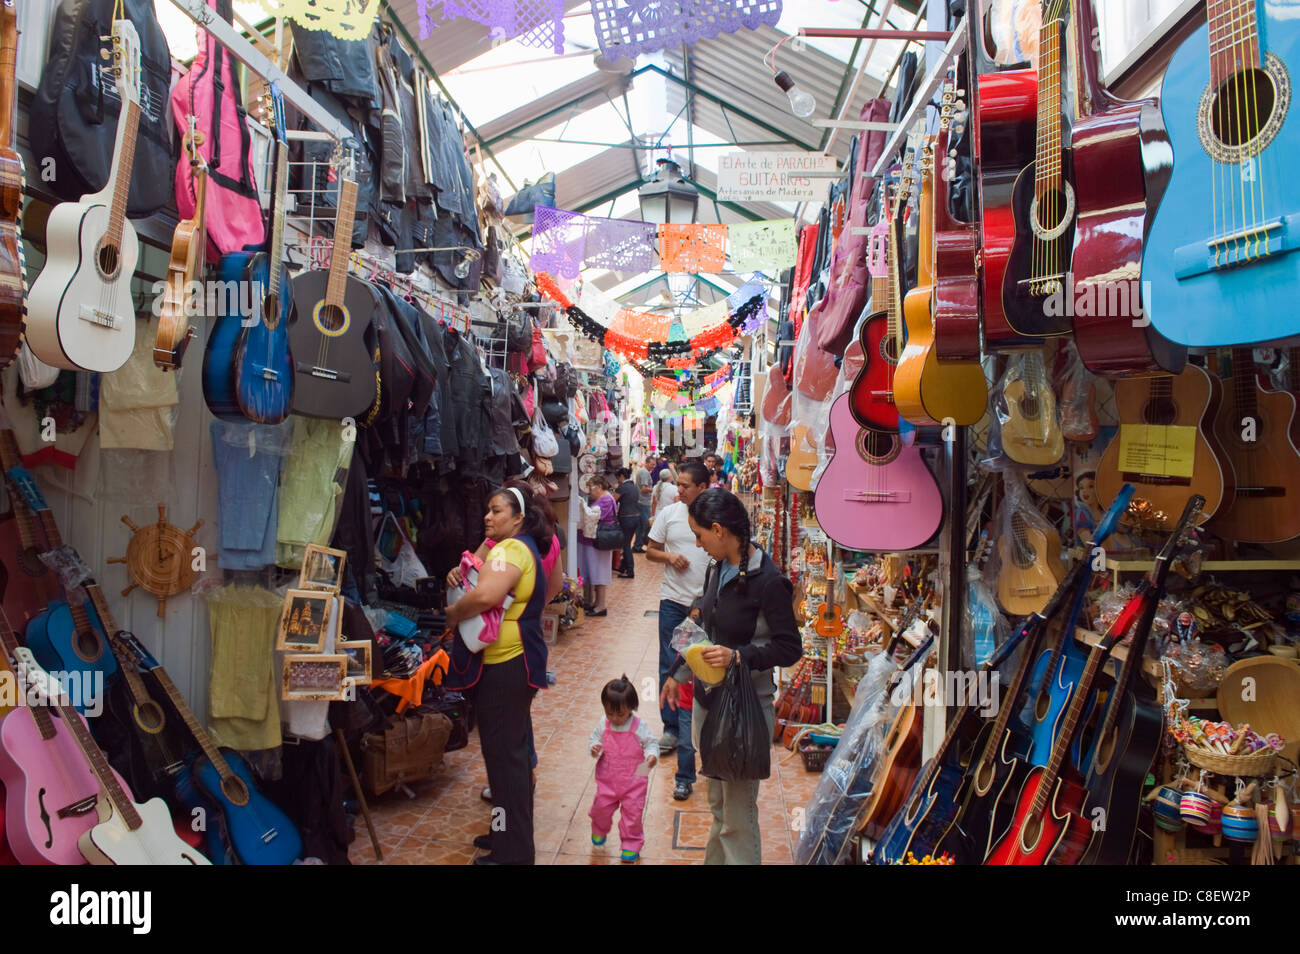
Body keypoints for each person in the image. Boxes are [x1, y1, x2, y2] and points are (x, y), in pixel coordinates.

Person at [659, 489, 802, 865]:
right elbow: (705, 626)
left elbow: (789, 648)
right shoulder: (716, 568)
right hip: (711, 704)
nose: (697, 543)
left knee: (737, 817)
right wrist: (679, 671)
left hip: (745, 712)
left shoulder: (768, 581)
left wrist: (739, 656)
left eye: (700, 535)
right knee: (720, 807)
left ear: (719, 530)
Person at [443, 484, 554, 865]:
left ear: (518, 517)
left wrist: (453, 614)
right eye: (487, 511)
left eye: (497, 511)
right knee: (507, 759)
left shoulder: (511, 549)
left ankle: (513, 853)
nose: (488, 517)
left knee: (505, 762)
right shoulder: (509, 548)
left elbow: (487, 596)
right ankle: (502, 833)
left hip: (506, 667)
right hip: (510, 666)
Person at [644, 461, 711, 799]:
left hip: (705, 607)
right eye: (678, 484)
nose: (679, 489)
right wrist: (669, 559)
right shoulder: (669, 514)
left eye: (685, 485)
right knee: (670, 665)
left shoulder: (715, 515)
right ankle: (672, 727)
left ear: (703, 487)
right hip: (673, 601)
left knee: (703, 670)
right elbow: (648, 551)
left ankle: (702, 735)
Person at [588, 675, 658, 863]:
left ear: (631, 709)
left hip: (635, 781)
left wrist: (651, 757)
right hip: (607, 779)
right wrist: (594, 748)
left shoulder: (638, 726)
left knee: (632, 815)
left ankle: (631, 843)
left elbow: (651, 743)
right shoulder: (603, 723)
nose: (615, 719)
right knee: (600, 809)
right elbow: (594, 739)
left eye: (621, 714)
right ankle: (599, 828)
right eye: (610, 713)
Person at [577, 476, 616, 616]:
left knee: (599, 573)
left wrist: (582, 506)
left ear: (599, 486)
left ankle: (601, 606)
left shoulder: (606, 500)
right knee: (595, 571)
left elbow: (593, 517)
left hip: (598, 543)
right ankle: (596, 604)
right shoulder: (605, 499)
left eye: (591, 488)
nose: (590, 492)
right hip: (593, 542)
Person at [613, 467, 641, 579]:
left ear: (621, 476)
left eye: (618, 478)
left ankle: (630, 571)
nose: (617, 480)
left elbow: (612, 500)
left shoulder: (622, 487)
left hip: (626, 518)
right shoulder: (634, 487)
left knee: (626, 545)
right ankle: (623, 567)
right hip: (636, 518)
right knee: (627, 542)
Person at [633, 458, 653, 552]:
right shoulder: (645, 473)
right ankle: (639, 545)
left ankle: (637, 546)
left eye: (654, 464)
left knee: (640, 525)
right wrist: (654, 490)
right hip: (643, 502)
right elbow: (643, 489)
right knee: (645, 524)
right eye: (652, 464)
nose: (653, 466)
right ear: (647, 463)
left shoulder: (642, 471)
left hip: (640, 501)